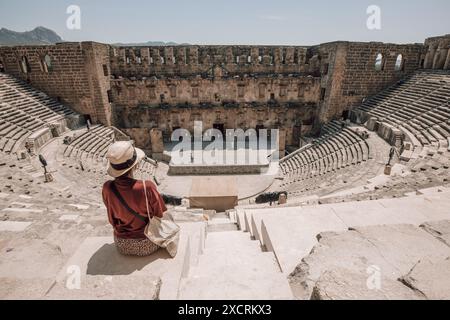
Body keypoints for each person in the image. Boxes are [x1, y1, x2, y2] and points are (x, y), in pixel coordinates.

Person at [102, 141, 167, 257]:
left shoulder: (107, 188)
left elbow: (111, 219)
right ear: (136, 165)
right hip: (147, 243)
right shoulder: (146, 187)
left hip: (122, 244)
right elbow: (160, 214)